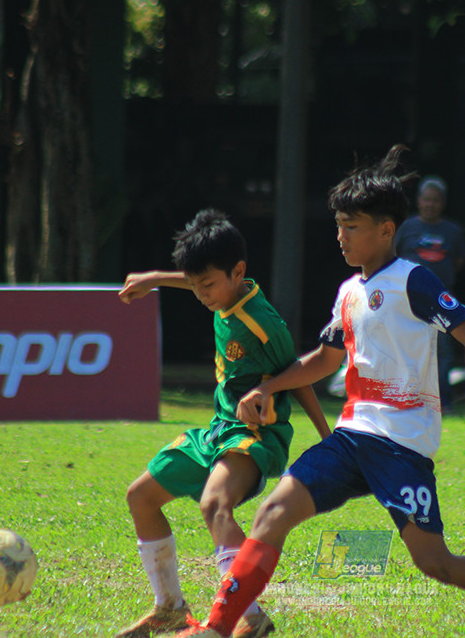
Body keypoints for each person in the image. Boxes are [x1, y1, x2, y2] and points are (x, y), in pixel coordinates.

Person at [175, 146, 465, 638]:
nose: (340, 236)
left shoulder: (413, 280)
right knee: (271, 513)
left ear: (386, 230)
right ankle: (217, 630)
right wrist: (268, 386)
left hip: (401, 446)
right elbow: (325, 358)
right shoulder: (348, 291)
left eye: (352, 226)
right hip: (352, 436)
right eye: (339, 224)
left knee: (436, 563)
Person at [114, 209, 330, 638]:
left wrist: (328, 439)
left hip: (256, 434)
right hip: (218, 429)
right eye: (195, 285)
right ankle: (169, 608)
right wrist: (155, 277)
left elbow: (301, 375)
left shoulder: (261, 323)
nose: (201, 295)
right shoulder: (223, 290)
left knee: (214, 504)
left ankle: (249, 618)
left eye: (207, 285)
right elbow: (196, 279)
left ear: (238, 272)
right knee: (141, 496)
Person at [394, 175, 465, 409]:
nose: (430, 204)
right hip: (409, 300)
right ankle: (406, 398)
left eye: (435, 200)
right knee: (408, 348)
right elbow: (392, 256)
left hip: (442, 301)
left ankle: (441, 400)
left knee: (442, 352)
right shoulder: (407, 227)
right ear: (418, 201)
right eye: (426, 199)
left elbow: (458, 260)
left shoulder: (452, 230)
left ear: (442, 203)